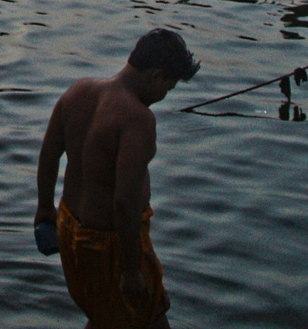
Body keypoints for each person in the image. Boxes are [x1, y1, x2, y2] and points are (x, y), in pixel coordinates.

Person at [34, 29, 201, 329]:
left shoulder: (78, 92)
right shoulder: (136, 119)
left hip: (69, 228)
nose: (164, 97)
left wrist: (44, 208)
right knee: (148, 318)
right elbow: (124, 201)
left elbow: (48, 155)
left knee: (104, 316)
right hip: (109, 243)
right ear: (157, 75)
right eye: (169, 87)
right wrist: (130, 270)